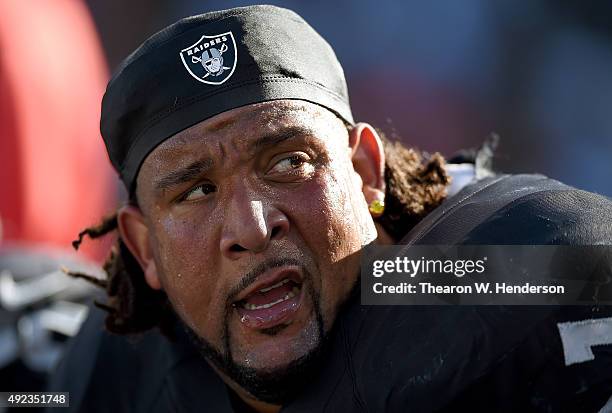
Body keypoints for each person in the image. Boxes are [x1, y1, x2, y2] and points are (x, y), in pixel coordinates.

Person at [48, 5, 612, 412]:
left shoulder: (502, 279)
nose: (253, 226)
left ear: (366, 171)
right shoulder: (116, 371)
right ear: (144, 248)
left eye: (288, 163)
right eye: (196, 192)